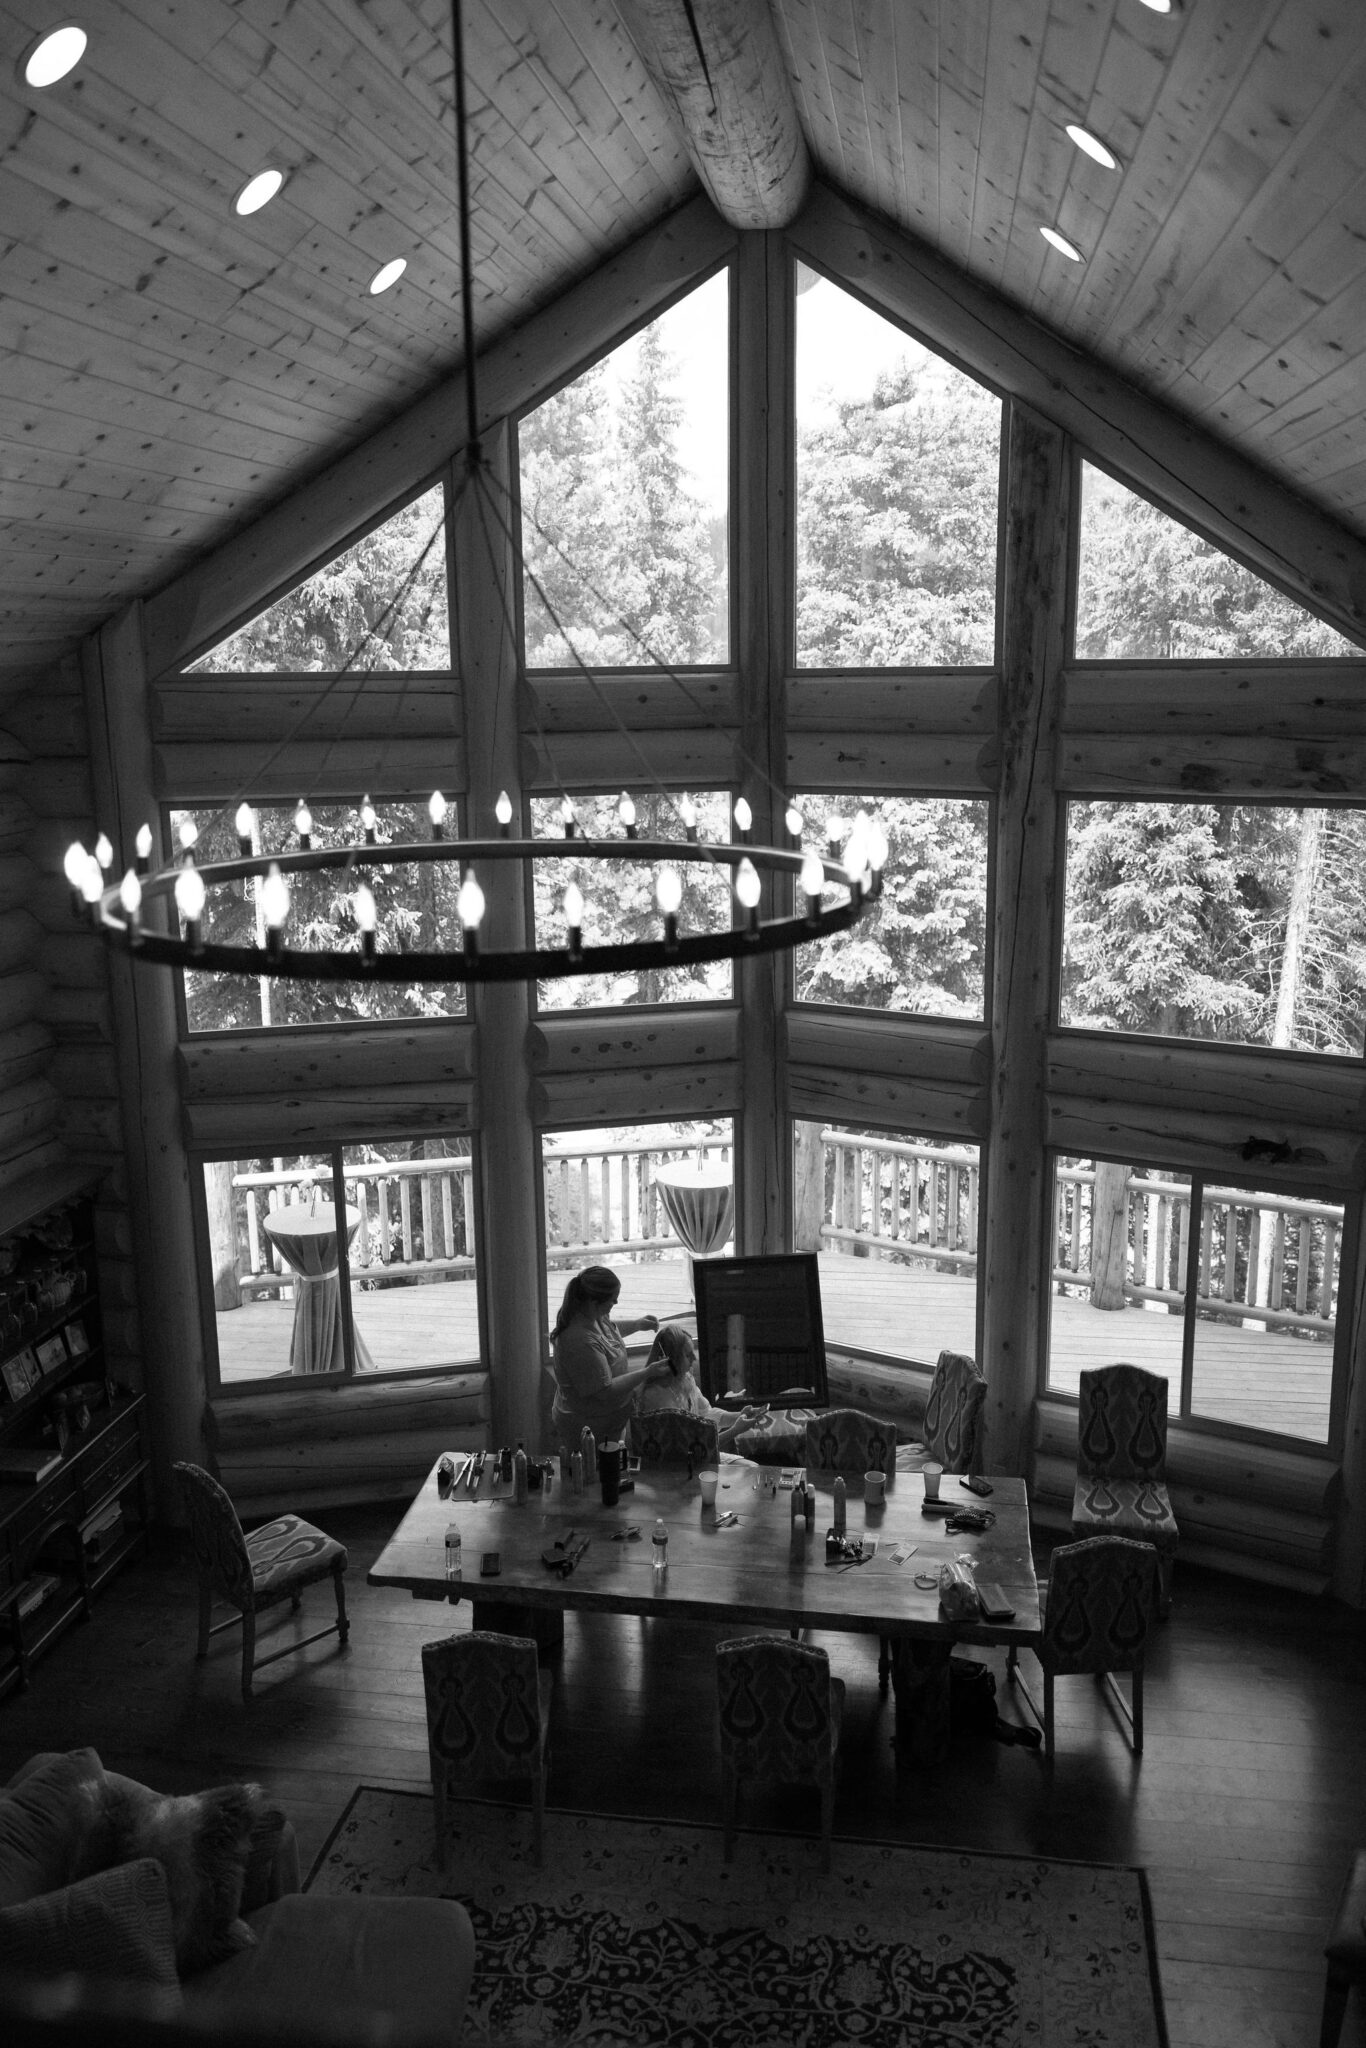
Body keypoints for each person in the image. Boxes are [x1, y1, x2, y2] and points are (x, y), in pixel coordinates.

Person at [549, 1266, 669, 1449]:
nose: (616, 1302)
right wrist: (648, 1372)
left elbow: (609, 1331)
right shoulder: (578, 1341)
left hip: (610, 1421)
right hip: (588, 1427)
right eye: (613, 1299)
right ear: (593, 1302)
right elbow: (605, 1391)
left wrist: (637, 1325)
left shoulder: (594, 1314)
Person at [635, 1323, 766, 1448]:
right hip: (680, 1461)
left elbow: (707, 1414)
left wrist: (740, 1415)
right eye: (688, 1355)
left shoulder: (686, 1379)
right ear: (670, 1360)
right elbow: (690, 1448)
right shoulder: (657, 1397)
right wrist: (735, 1430)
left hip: (695, 1457)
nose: (694, 1358)